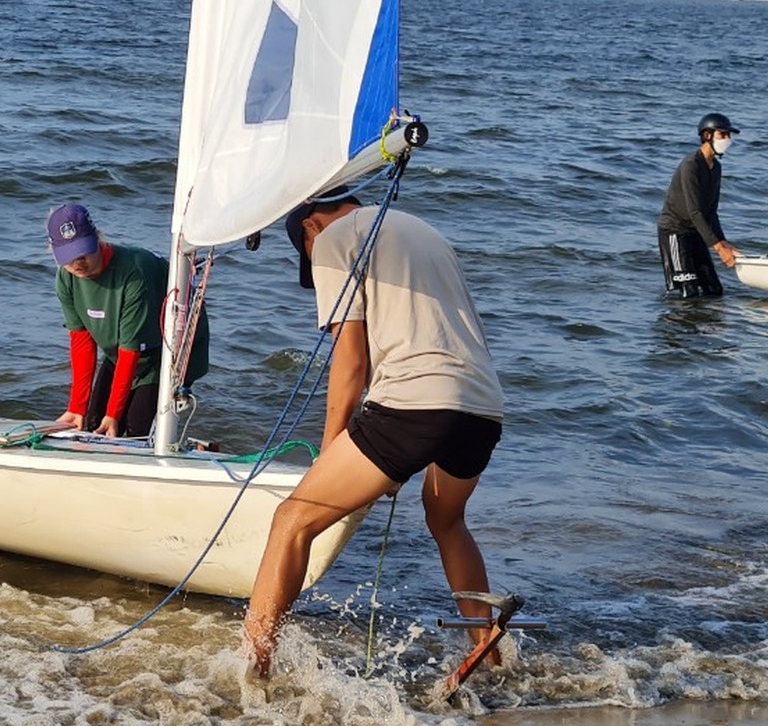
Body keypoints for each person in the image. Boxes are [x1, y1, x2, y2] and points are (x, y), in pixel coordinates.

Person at [242, 188, 506, 678]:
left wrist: (331, 452)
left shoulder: (331, 240)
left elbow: (351, 361)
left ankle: (254, 665)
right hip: (482, 406)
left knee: (292, 520)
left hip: (414, 403)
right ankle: (486, 651)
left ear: (308, 227)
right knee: (447, 521)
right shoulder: (422, 230)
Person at [47, 203, 209, 439]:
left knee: (132, 431)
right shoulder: (66, 279)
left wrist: (112, 415)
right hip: (119, 353)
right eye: (69, 257)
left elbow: (130, 350)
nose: (78, 263)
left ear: (98, 239)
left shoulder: (134, 272)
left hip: (165, 353)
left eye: (83, 253)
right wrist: (76, 407)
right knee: (91, 424)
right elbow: (82, 344)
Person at [657, 112, 742, 298]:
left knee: (714, 291)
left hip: (696, 231)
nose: (727, 139)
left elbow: (711, 211)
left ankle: (711, 325)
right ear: (707, 136)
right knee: (689, 291)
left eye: (729, 136)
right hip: (675, 231)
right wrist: (719, 249)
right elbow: (695, 211)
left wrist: (724, 242)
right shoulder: (691, 165)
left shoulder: (716, 167)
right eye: (723, 134)